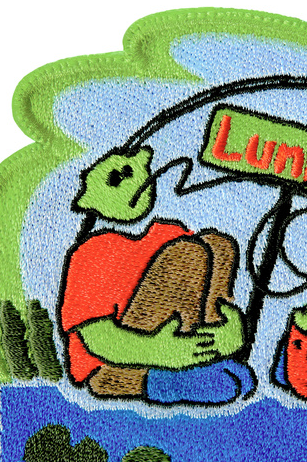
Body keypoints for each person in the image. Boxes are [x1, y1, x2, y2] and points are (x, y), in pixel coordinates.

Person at [59, 149, 254, 404]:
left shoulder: (168, 232)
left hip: (179, 341)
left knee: (217, 246)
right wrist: (162, 351)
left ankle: (207, 353)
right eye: (116, 178)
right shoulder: (91, 252)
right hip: (112, 366)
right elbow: (96, 337)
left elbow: (209, 290)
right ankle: (171, 379)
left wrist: (231, 331)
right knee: (188, 254)